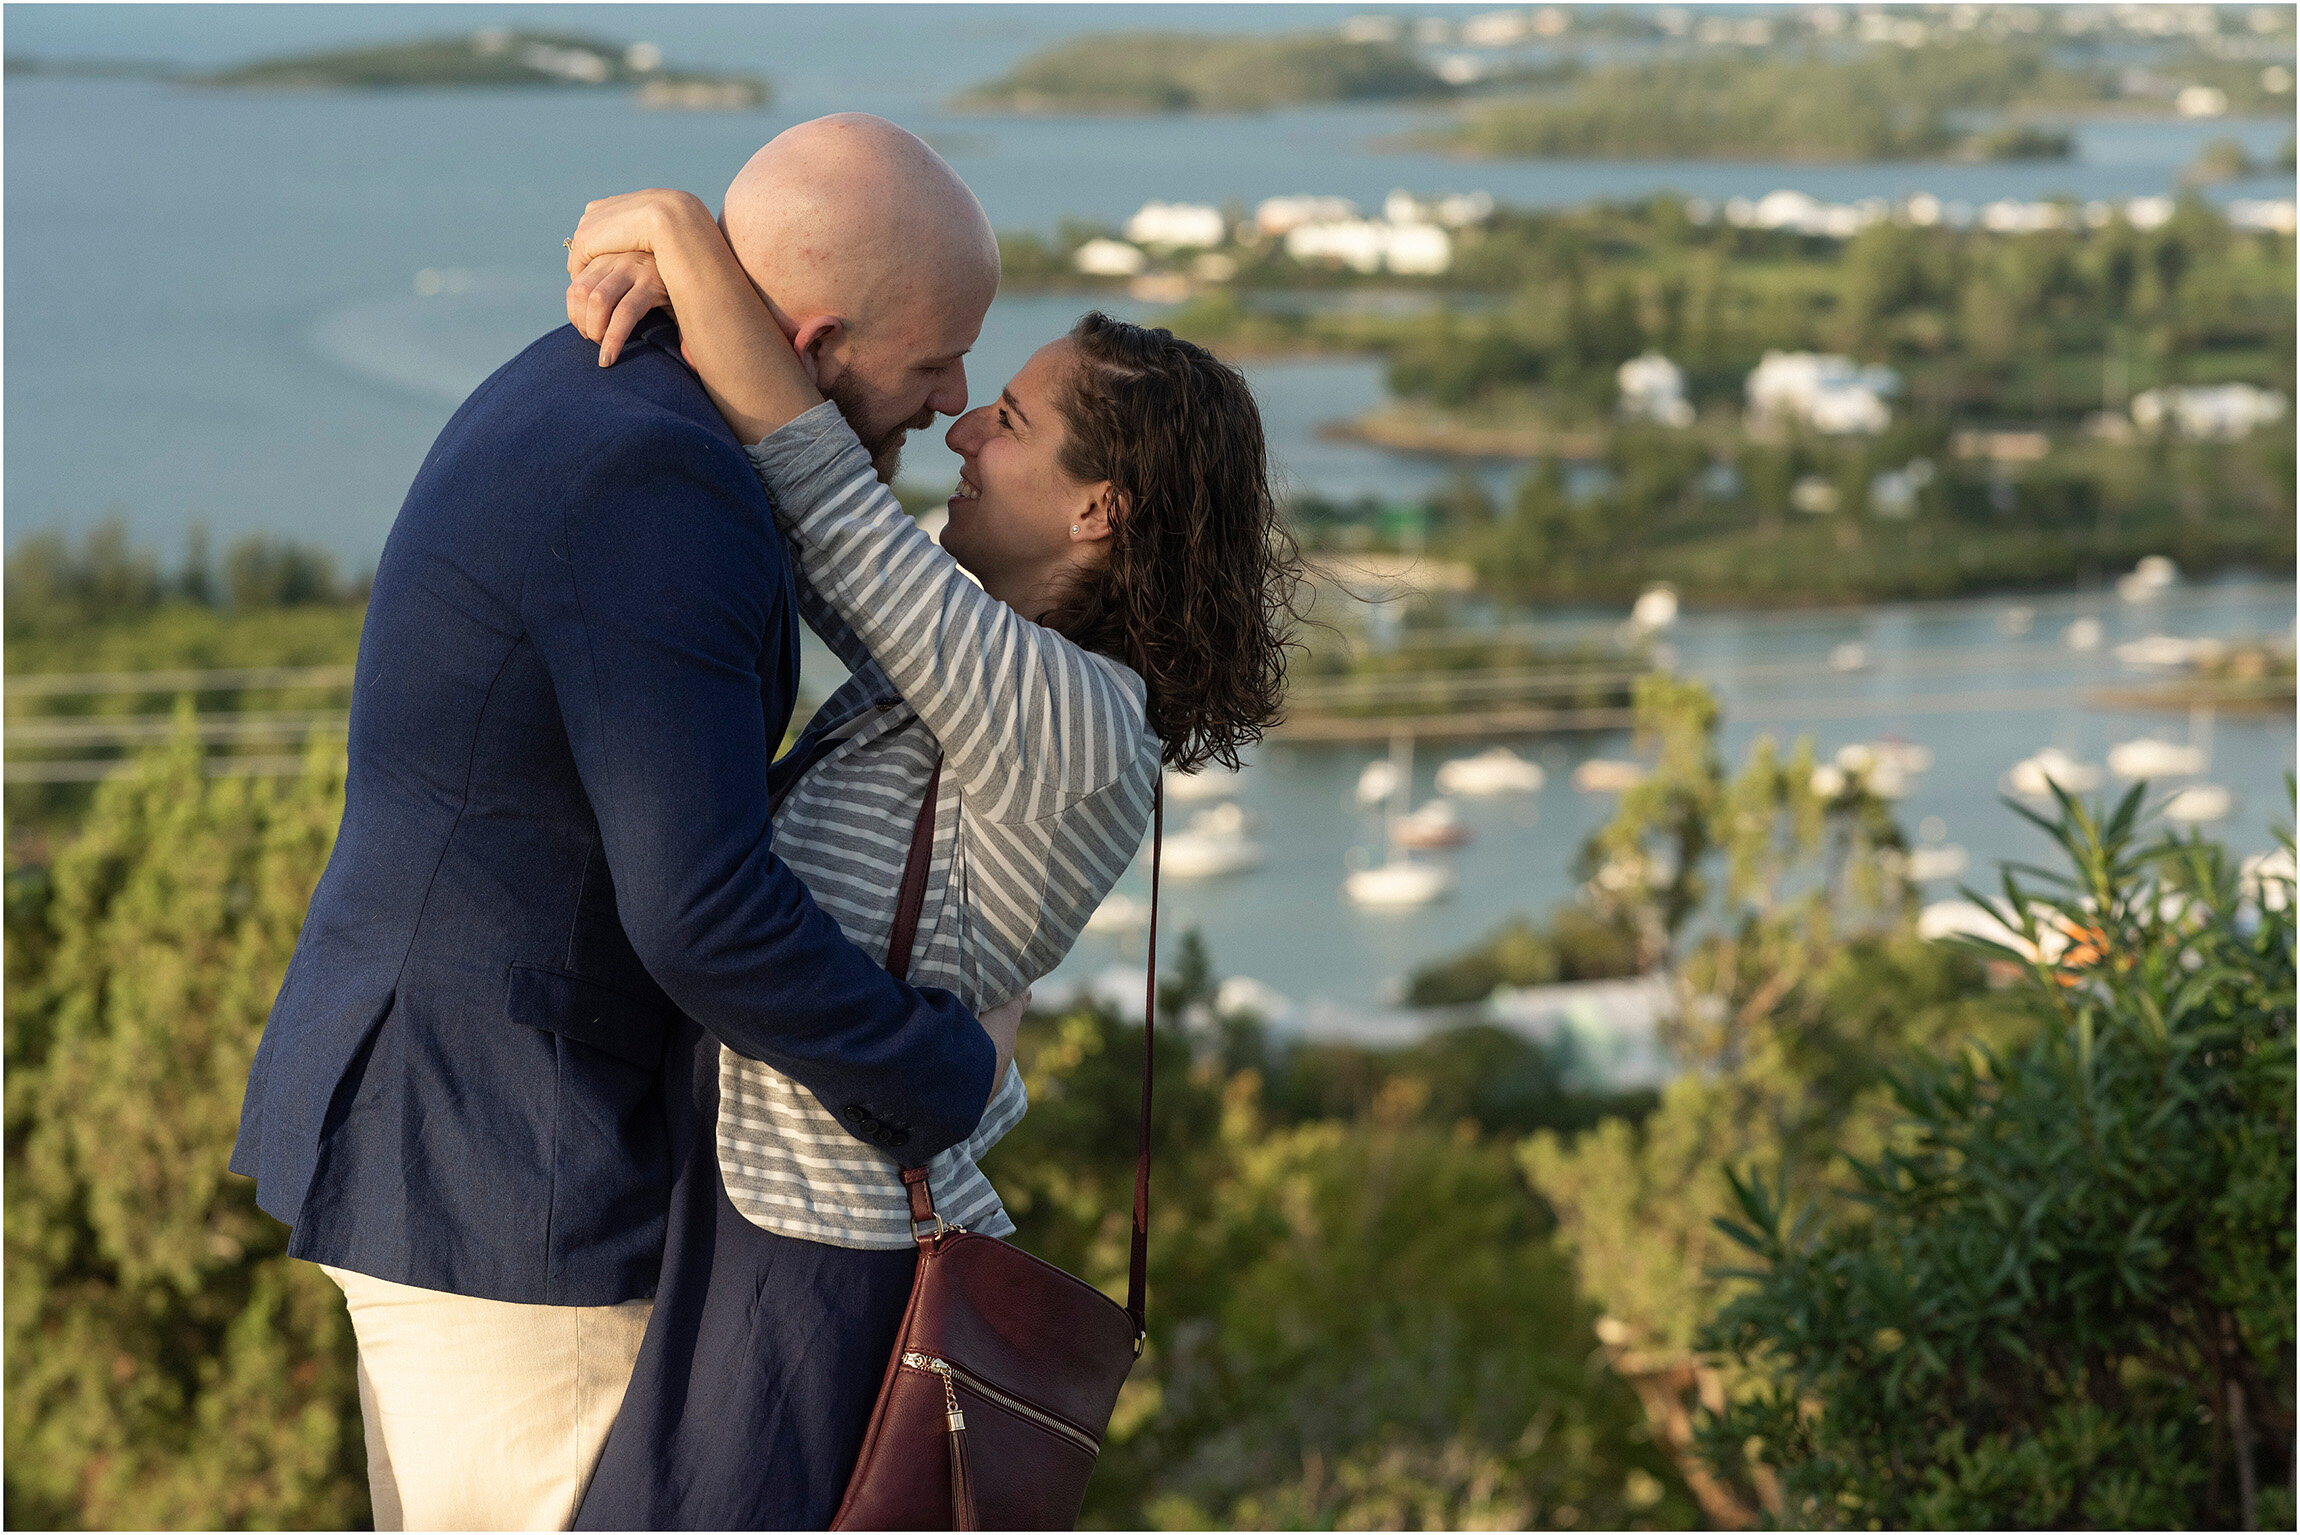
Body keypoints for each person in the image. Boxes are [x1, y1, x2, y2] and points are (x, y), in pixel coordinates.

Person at [227, 115, 1026, 1531]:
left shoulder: (616, 401)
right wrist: (939, 1079)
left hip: (465, 1125)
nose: (957, 395)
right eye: (934, 359)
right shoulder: (658, 477)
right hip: (504, 1162)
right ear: (821, 339)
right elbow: (701, 909)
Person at [548, 167, 1302, 1528]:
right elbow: (802, 521)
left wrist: (674, 228)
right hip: (770, 1218)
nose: (961, 433)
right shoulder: (978, 685)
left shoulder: (1070, 717)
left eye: (1009, 420)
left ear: (1098, 513)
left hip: (818, 1252)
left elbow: (827, 506)